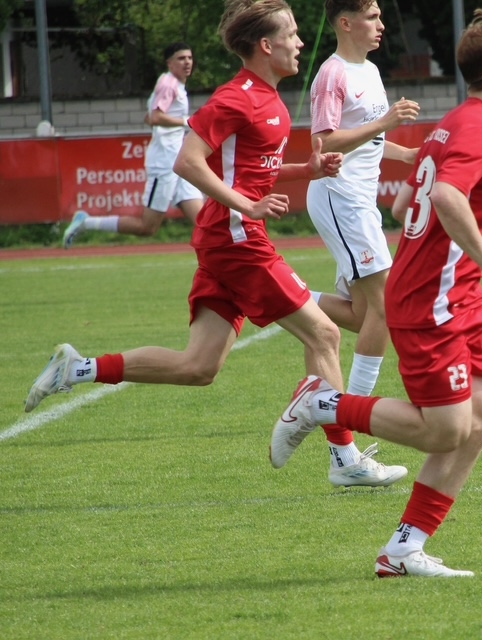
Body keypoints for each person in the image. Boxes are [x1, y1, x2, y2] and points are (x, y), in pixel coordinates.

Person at [25, 0, 407, 490]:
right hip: (236, 239)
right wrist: (247, 206)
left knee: (198, 367)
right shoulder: (237, 97)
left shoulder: (269, 100)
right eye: (291, 34)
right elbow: (188, 161)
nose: (299, 43)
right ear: (266, 46)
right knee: (325, 335)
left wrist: (305, 170)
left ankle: (76, 369)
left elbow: (252, 169)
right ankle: (344, 457)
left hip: (224, 237)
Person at [271, 8, 482, 576]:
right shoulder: (478, 127)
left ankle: (402, 550)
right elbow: (444, 197)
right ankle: (321, 403)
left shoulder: (460, 122)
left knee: (480, 419)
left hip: (459, 293)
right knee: (445, 429)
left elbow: (403, 204)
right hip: (434, 299)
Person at [304, 0, 419, 475]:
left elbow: (365, 136)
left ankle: (276, 296)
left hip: (358, 201)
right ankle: (350, 425)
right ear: (346, 23)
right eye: (372, 17)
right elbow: (324, 142)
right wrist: (387, 122)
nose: (381, 25)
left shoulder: (369, 70)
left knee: (363, 314)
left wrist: (406, 155)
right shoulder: (332, 74)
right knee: (387, 306)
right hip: (340, 197)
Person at [62, 42, 204, 248]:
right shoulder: (169, 84)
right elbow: (155, 117)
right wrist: (188, 122)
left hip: (180, 162)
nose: (187, 62)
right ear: (170, 63)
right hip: (165, 164)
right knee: (147, 227)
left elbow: (149, 117)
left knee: (203, 222)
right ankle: (86, 222)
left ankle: (224, 261)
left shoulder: (174, 85)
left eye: (189, 58)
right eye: (181, 58)